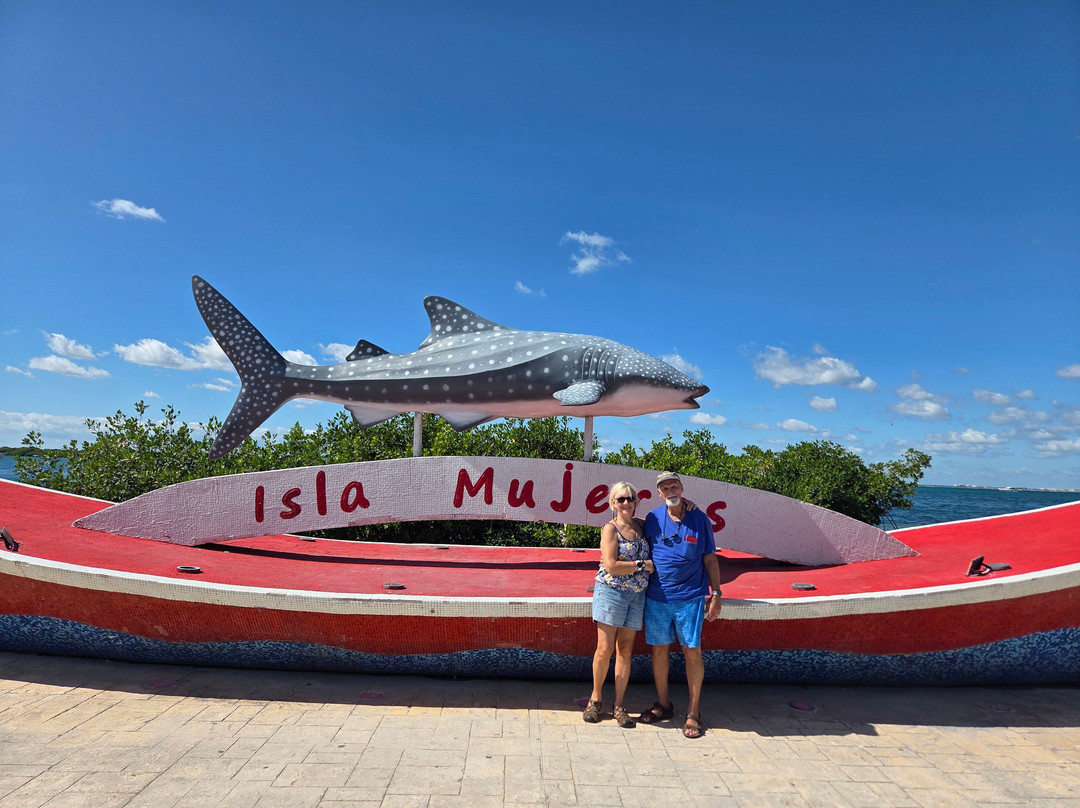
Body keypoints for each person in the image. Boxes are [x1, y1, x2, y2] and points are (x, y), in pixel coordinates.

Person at [638, 471, 723, 739]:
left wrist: (717, 593)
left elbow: (710, 559)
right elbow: (626, 527)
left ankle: (693, 712)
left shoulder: (700, 519)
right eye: (664, 487)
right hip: (657, 598)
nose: (670, 490)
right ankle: (664, 704)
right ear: (659, 493)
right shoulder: (652, 518)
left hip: (691, 599)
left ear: (682, 489)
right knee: (659, 653)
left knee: (692, 653)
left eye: (674, 485)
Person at [583, 481, 655, 728]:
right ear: (612, 503)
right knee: (604, 649)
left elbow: (670, 519)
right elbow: (611, 565)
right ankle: (595, 699)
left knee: (625, 650)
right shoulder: (610, 529)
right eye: (620, 499)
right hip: (612, 593)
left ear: (636, 502)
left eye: (630, 498)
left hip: (636, 595)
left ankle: (619, 705)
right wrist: (641, 565)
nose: (626, 502)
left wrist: (688, 505)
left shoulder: (643, 526)